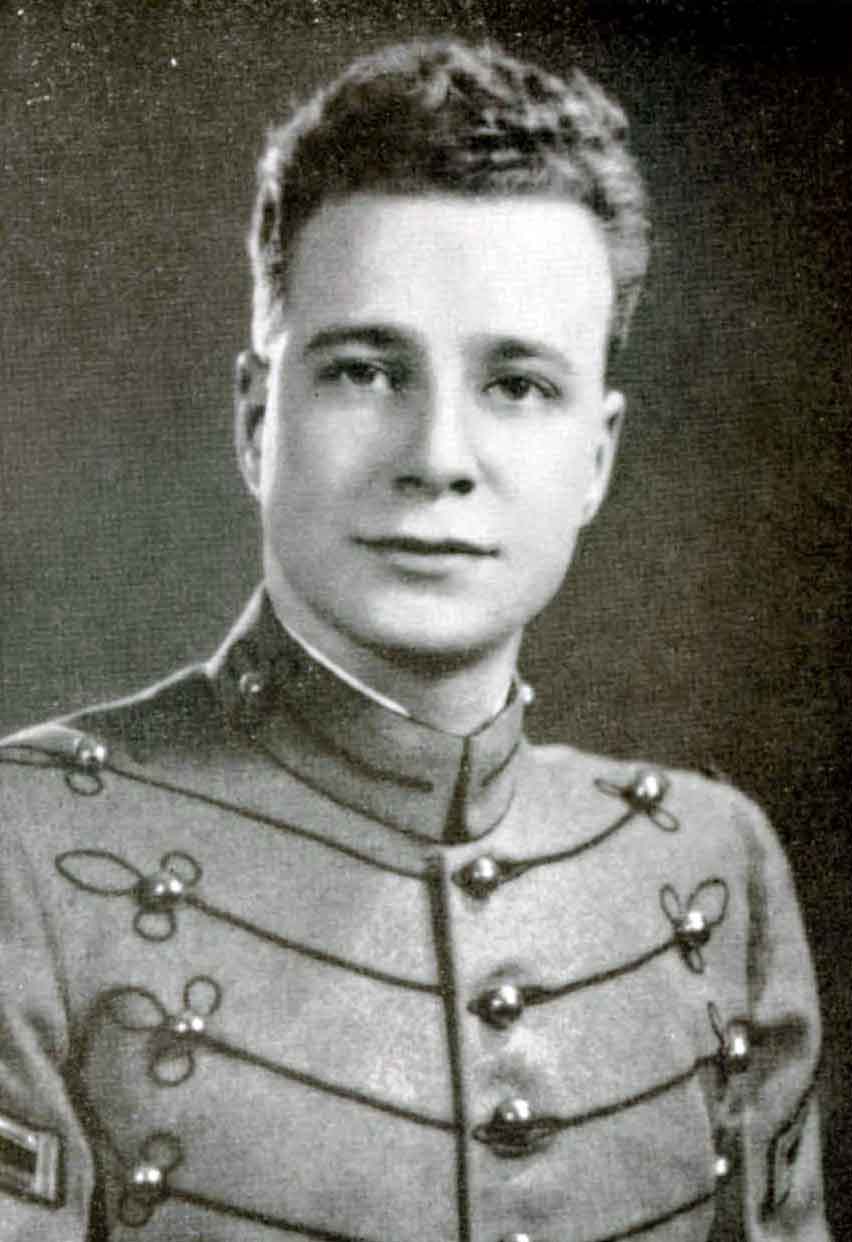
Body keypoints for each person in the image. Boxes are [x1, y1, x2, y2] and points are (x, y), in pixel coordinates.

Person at [0, 37, 829, 1242]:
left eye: (518, 386)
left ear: (596, 458)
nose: (438, 458)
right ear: (255, 420)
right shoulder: (22, 855)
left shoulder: (717, 868)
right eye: (366, 372)